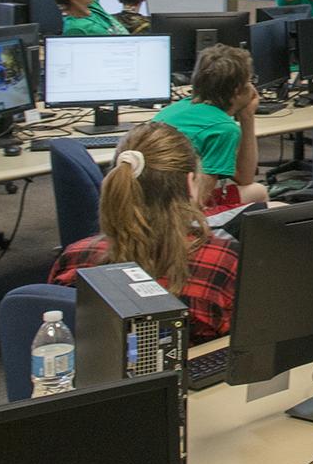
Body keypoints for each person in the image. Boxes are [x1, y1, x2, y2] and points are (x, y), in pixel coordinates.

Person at [49, 122, 238, 344]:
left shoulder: (73, 258)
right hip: (196, 377)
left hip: (97, 376)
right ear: (190, 184)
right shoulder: (224, 262)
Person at [154, 44, 272, 213]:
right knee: (273, 207)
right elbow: (200, 200)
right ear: (239, 90)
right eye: (250, 81)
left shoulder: (176, 108)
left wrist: (247, 115)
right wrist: (247, 117)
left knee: (257, 191)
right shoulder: (223, 129)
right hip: (174, 214)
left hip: (152, 203)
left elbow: (244, 179)